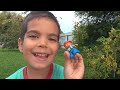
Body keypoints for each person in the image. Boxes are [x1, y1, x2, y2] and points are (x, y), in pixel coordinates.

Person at [6, 11, 84, 79]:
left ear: (57, 47)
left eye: (52, 39)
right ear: (21, 44)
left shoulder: (68, 76)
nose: (43, 44)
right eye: (33, 36)